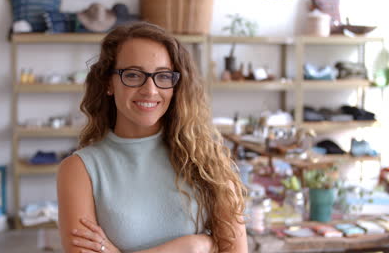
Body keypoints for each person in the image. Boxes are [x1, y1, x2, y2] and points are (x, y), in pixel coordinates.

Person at [57, 22, 247, 253]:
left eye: (163, 76)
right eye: (134, 75)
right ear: (109, 82)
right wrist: (194, 245)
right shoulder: (79, 170)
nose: (150, 89)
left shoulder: (207, 159)